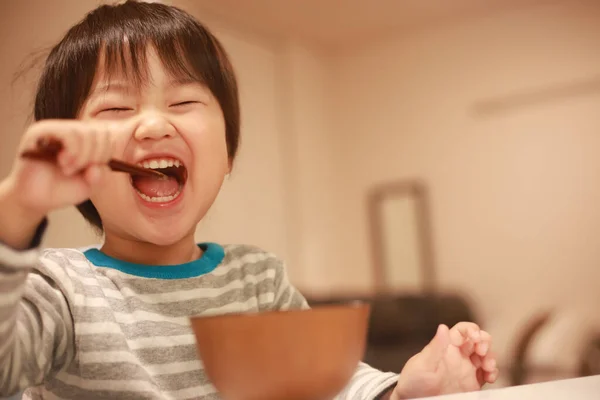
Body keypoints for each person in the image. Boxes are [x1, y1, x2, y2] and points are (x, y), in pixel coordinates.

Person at [0, 1, 499, 399]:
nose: (153, 125)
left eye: (183, 102)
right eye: (117, 107)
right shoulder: (60, 289)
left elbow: (326, 381)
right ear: (78, 166)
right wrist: (18, 209)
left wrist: (400, 391)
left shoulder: (257, 282)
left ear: (226, 155)